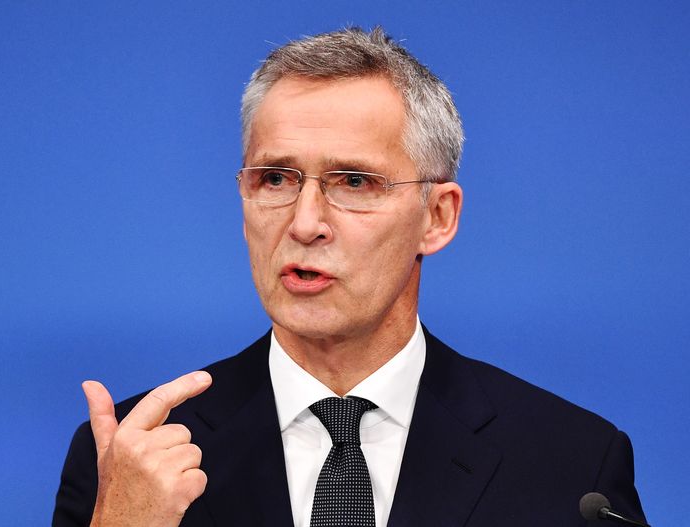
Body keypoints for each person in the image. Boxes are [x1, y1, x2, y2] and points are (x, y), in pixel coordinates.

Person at [52, 26, 645, 527]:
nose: (305, 223)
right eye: (276, 179)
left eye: (354, 182)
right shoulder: (129, 460)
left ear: (436, 218)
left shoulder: (571, 463)